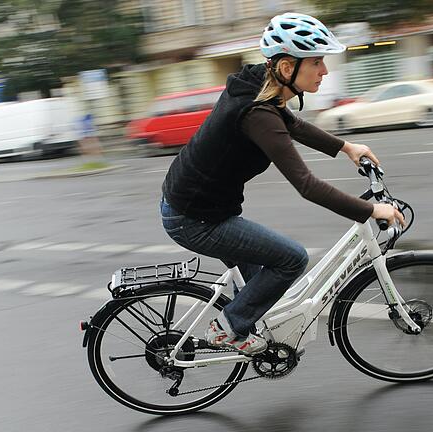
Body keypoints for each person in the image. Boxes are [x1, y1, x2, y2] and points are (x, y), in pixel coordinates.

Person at [160, 13, 404, 355]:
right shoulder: (257, 113)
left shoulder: (261, 85)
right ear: (288, 68)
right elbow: (306, 185)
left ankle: (247, 325)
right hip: (195, 219)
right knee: (291, 259)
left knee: (262, 284)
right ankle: (228, 328)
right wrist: (370, 209)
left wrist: (347, 147)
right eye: (317, 62)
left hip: (196, 204)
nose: (325, 71)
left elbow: (292, 124)